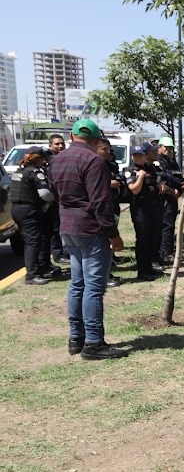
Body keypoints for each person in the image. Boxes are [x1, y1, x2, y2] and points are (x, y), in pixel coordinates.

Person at [48, 119, 128, 360]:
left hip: (68, 227)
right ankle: (93, 343)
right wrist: (113, 235)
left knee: (77, 283)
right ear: (95, 140)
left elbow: (54, 193)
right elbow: (101, 202)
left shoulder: (56, 160)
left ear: (72, 137)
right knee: (93, 287)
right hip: (90, 229)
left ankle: (76, 338)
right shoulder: (94, 161)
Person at [10, 146, 55, 285]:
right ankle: (32, 275)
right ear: (39, 159)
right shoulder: (35, 173)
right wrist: (55, 198)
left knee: (31, 240)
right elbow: (45, 195)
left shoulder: (19, 171)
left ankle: (40, 269)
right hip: (29, 210)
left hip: (17, 209)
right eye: (43, 159)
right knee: (33, 242)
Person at [125, 144, 165, 281]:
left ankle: (149, 267)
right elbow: (134, 190)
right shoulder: (130, 170)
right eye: (135, 155)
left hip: (153, 207)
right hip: (140, 209)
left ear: (145, 155)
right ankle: (142, 271)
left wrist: (160, 185)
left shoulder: (151, 168)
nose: (138, 157)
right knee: (143, 239)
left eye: (140, 155)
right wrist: (141, 177)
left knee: (152, 238)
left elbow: (157, 180)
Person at [96, 137, 123, 287]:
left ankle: (107, 271)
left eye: (108, 149)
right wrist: (108, 183)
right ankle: (103, 277)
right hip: (101, 211)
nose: (108, 152)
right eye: (104, 149)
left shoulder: (107, 164)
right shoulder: (94, 165)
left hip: (112, 205)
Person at [156, 136, 184, 261]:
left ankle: (169, 250)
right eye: (166, 148)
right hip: (165, 197)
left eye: (171, 148)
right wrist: (175, 189)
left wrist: (182, 186)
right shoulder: (159, 161)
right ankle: (165, 253)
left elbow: (178, 177)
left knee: (171, 225)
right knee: (166, 226)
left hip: (174, 197)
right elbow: (166, 177)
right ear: (160, 147)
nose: (169, 150)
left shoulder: (172, 161)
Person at [47, 133, 70, 265]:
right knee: (56, 229)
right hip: (54, 200)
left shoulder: (65, 158)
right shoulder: (49, 159)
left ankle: (64, 251)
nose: (60, 146)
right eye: (57, 144)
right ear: (50, 145)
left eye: (62, 143)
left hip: (64, 199)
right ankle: (58, 254)